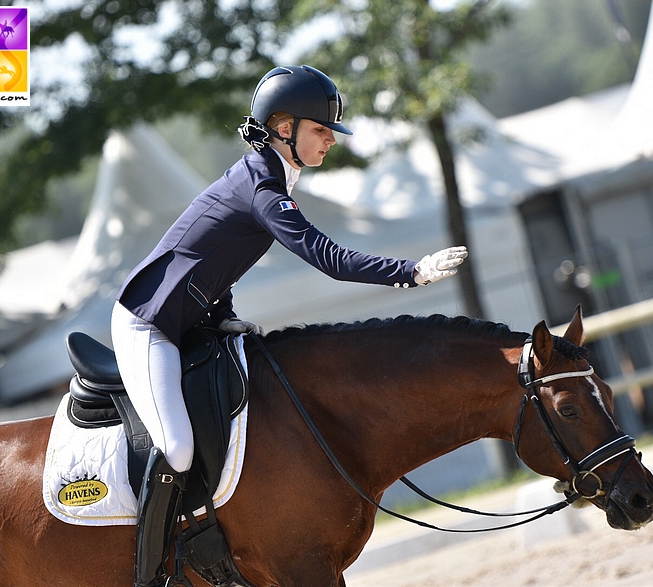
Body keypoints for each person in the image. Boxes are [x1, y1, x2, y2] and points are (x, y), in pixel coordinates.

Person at [110, 64, 468, 587]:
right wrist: (407, 273)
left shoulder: (268, 176)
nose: (330, 141)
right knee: (178, 447)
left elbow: (214, 259)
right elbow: (323, 254)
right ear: (283, 128)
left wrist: (223, 316)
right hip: (150, 326)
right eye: (321, 130)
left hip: (192, 322)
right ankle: (151, 573)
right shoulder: (261, 186)